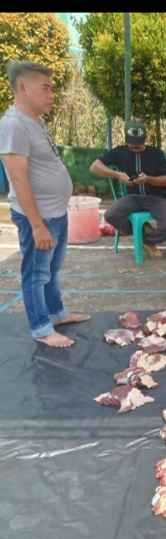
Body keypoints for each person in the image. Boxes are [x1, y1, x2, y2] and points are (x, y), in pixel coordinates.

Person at [0, 60, 90, 348]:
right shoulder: (13, 124)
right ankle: (41, 328)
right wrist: (37, 225)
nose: (52, 94)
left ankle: (56, 313)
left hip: (55, 213)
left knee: (51, 269)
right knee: (35, 273)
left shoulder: (33, 122)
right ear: (23, 88)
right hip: (37, 218)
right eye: (46, 88)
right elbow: (18, 177)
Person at [89, 121, 166, 258]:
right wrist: (117, 175)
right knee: (111, 215)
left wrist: (148, 179)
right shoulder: (120, 151)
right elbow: (94, 166)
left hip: (157, 198)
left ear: (145, 139)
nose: (135, 146)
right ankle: (141, 231)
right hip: (132, 198)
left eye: (138, 144)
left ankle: (146, 240)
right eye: (132, 143)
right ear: (126, 139)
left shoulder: (156, 153)